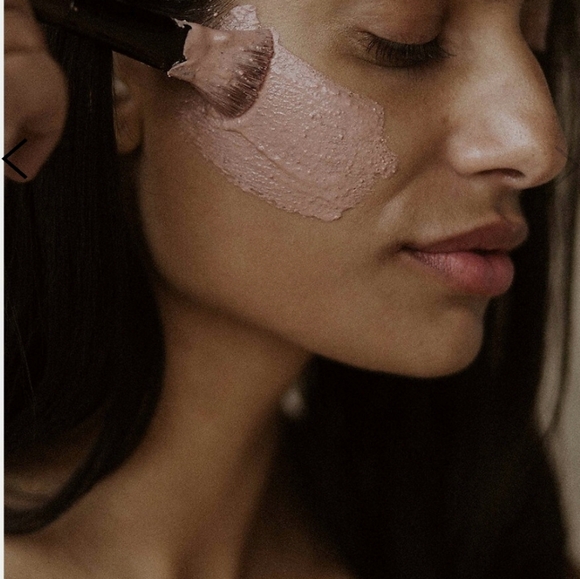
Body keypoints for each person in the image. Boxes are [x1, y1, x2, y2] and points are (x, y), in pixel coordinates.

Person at [4, 0, 580, 577]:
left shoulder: (478, 552)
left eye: (535, 43)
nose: (537, 145)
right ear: (115, 84)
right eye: (405, 42)